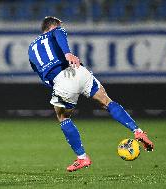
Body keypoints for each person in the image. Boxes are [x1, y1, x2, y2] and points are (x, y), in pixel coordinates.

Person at [28, 16, 154, 172]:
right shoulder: (56, 31)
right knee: (107, 101)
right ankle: (138, 131)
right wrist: (67, 54)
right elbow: (58, 33)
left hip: (62, 80)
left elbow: (42, 75)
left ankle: (82, 158)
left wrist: (58, 85)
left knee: (63, 117)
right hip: (79, 70)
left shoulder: (31, 49)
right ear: (53, 26)